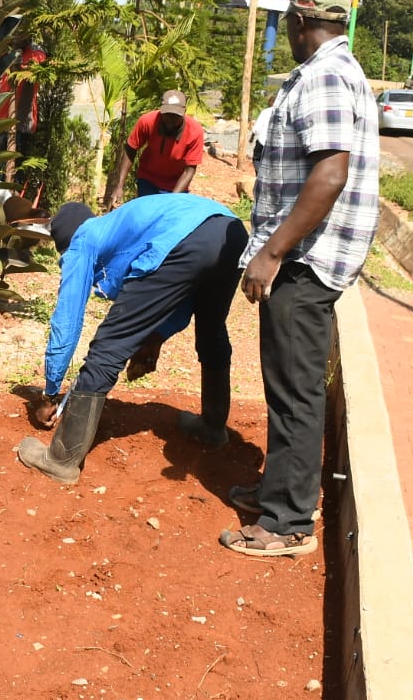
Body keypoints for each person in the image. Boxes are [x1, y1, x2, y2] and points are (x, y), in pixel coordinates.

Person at [221, 0, 379, 560]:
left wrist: (272, 252)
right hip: (304, 255)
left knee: (294, 390)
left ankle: (288, 521)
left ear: (297, 21)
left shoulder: (324, 78)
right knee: (287, 383)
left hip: (306, 259)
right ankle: (279, 490)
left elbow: (329, 175)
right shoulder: (332, 71)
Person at [15, 195, 249, 485]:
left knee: (108, 346)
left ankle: (60, 460)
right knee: (211, 329)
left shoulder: (82, 240)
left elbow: (67, 321)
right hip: (231, 233)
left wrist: (50, 394)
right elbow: (183, 293)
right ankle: (212, 427)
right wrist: (154, 339)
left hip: (189, 237)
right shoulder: (118, 224)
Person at [103, 90, 206, 210]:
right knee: (147, 214)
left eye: (176, 116)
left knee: (170, 218)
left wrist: (172, 199)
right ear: (161, 110)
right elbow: (130, 149)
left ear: (184, 113)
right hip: (148, 179)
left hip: (176, 184)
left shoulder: (195, 131)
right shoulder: (148, 121)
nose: (171, 120)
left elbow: (189, 170)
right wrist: (119, 186)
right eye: (167, 115)